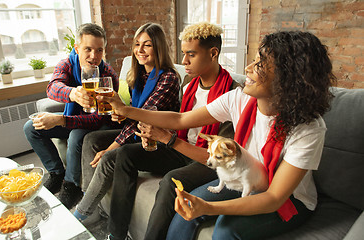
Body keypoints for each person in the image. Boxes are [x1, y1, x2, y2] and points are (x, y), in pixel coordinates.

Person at [99, 31, 336, 240]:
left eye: (260, 64)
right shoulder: (239, 99)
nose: (248, 68)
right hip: (244, 177)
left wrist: (208, 208)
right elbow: (180, 119)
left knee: (225, 230)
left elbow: (274, 197)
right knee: (184, 211)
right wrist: (126, 110)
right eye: (254, 60)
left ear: (289, 78)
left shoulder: (308, 128)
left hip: (289, 200)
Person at [82, 22, 240, 240]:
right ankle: (116, 235)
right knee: (126, 154)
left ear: (213, 53)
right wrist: (153, 135)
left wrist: (166, 138)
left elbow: (217, 159)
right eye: (183, 54)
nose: (183, 62)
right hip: (181, 147)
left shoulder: (231, 93)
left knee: (170, 181)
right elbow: (178, 119)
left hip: (205, 160)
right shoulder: (189, 82)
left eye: (190, 55)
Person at [72, 22, 181, 214]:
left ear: (159, 47)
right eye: (137, 44)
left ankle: (82, 212)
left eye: (147, 45)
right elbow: (133, 114)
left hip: (156, 140)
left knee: (110, 155)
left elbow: (144, 119)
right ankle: (90, 200)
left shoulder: (168, 79)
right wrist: (121, 114)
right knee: (90, 139)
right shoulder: (137, 76)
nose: (140, 50)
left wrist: (111, 147)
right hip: (137, 131)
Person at [23, 23, 119, 208]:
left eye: (99, 50)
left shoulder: (107, 75)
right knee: (31, 127)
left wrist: (61, 119)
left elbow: (98, 119)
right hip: (74, 118)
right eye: (88, 49)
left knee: (75, 135)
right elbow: (52, 87)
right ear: (77, 48)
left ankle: (71, 185)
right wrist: (72, 93)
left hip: (98, 124)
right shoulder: (67, 64)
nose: (94, 56)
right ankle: (57, 173)